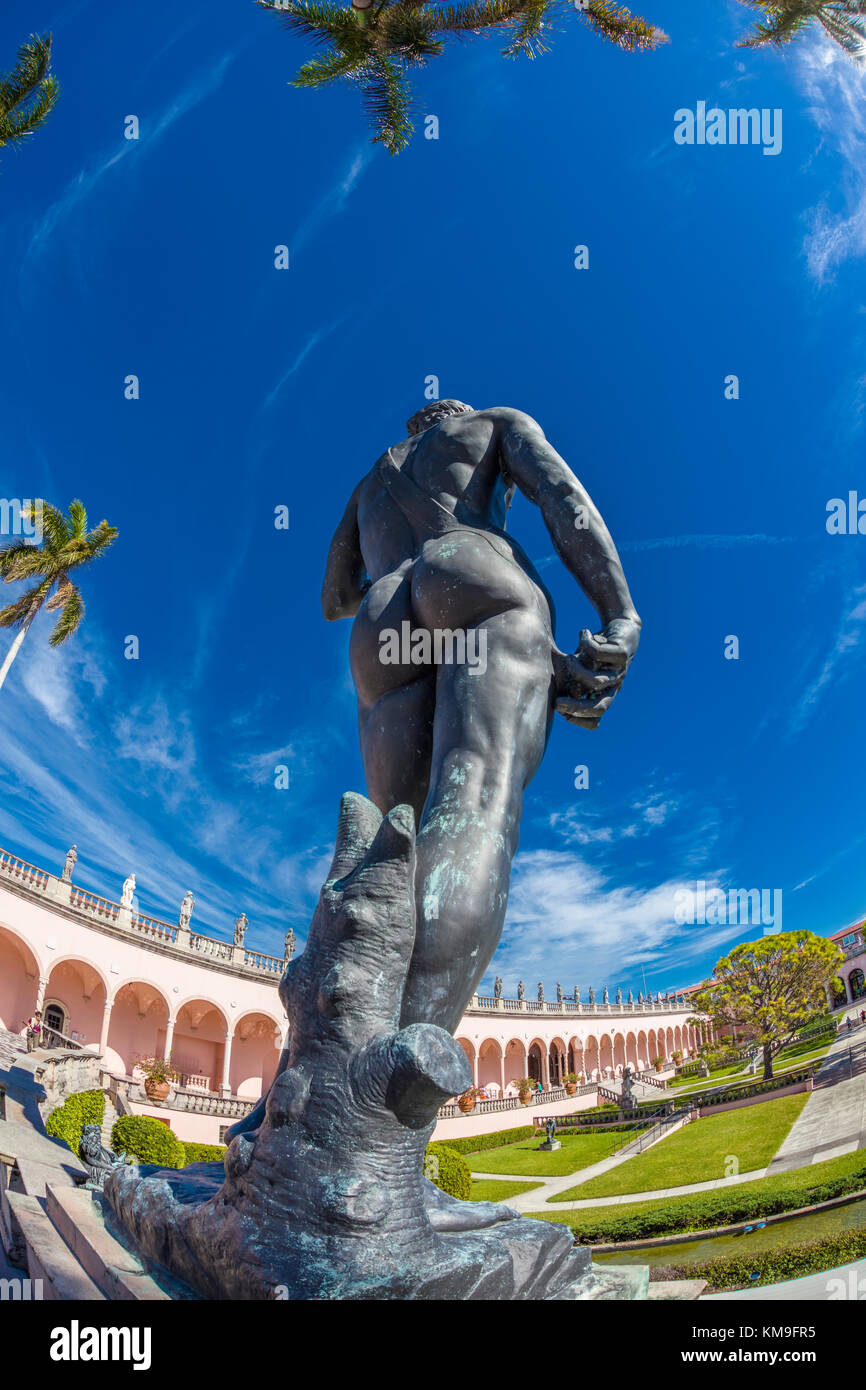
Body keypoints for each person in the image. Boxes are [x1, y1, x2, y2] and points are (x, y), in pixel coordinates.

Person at [322, 400, 640, 1033]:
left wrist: (391, 562)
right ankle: (395, 1065)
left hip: (382, 619)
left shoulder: (368, 484)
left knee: (396, 843)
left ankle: (326, 1046)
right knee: (475, 802)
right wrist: (620, 614)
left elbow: (335, 597)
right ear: (453, 417)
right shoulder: (495, 423)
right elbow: (565, 504)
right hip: (471, 576)